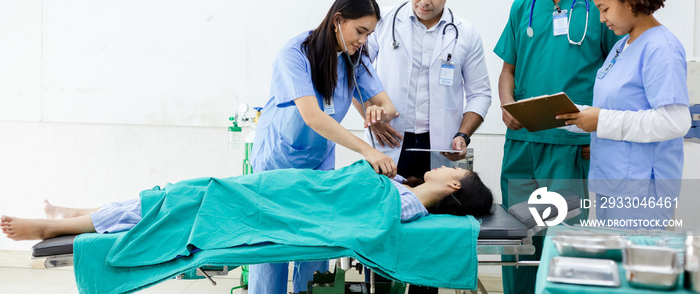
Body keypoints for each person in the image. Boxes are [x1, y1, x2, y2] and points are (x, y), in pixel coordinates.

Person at [493, 0, 620, 294]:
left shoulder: (600, 6)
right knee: (516, 239)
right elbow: (508, 71)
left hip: (569, 146)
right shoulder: (524, 5)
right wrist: (506, 104)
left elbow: (618, 76)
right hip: (522, 145)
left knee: (564, 240)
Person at [249, 0, 398, 294]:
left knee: (317, 247)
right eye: (359, 30)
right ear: (337, 20)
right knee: (273, 249)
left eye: (368, 34)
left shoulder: (355, 58)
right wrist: (368, 151)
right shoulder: (295, 54)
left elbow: (389, 107)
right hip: (278, 159)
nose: (363, 40)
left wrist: (374, 112)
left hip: (318, 161)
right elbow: (313, 117)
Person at [1, 164, 493, 241]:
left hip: (282, 204)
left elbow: (357, 215)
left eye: (457, 169)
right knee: (183, 190)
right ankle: (83, 213)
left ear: (453, 187)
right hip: (287, 189)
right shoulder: (405, 192)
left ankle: (61, 228)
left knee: (186, 200)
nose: (449, 163)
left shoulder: (408, 206)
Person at [558, 0, 690, 226]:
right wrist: (574, 117)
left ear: (629, 0)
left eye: (604, 8)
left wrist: (601, 121)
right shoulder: (622, 47)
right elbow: (617, 107)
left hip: (642, 189)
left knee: (633, 267)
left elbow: (675, 122)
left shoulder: (660, 48)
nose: (601, 18)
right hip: (614, 181)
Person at [359, 0, 491, 181]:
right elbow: (353, 74)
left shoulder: (466, 33)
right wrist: (372, 122)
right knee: (384, 207)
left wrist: (463, 135)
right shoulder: (383, 21)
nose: (424, 0)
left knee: (436, 211)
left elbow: (480, 93)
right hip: (387, 138)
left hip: (439, 146)